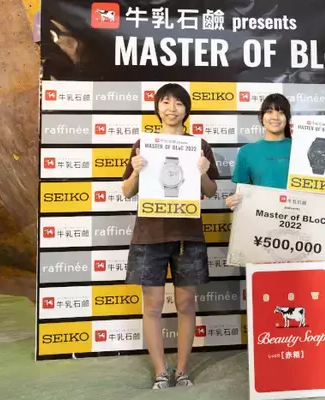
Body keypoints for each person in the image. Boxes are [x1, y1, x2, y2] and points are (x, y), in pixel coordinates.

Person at [121, 83, 220, 389]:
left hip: (188, 235)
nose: (172, 109)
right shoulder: (144, 144)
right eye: (165, 102)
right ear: (157, 108)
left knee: (186, 304)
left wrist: (203, 171)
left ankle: (183, 370)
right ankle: (161, 371)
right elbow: (127, 191)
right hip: (148, 234)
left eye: (178, 103)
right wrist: (136, 171)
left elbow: (211, 192)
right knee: (151, 306)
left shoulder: (199, 146)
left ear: (187, 109)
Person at [225, 93, 325, 207]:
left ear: (287, 118)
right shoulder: (246, 152)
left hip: (302, 216)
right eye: (269, 111)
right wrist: (234, 201)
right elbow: (242, 194)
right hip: (262, 217)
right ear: (262, 117)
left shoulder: (303, 148)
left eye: (281, 112)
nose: (275, 117)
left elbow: (324, 188)